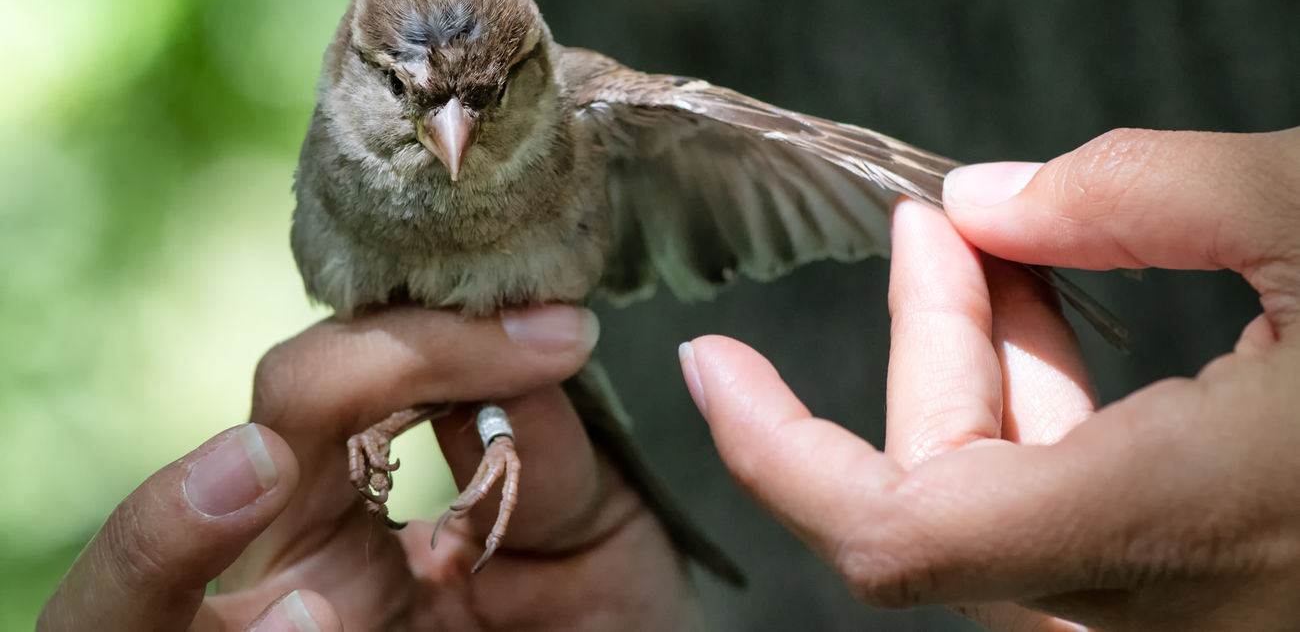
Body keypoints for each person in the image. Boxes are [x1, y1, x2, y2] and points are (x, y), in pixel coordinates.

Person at [40, 127, 1300, 631]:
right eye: (412, 104)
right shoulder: (341, 153)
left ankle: (474, 416)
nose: (451, 138)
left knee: (510, 390)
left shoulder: (583, 116)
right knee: (415, 381)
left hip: (523, 383)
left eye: (484, 105)